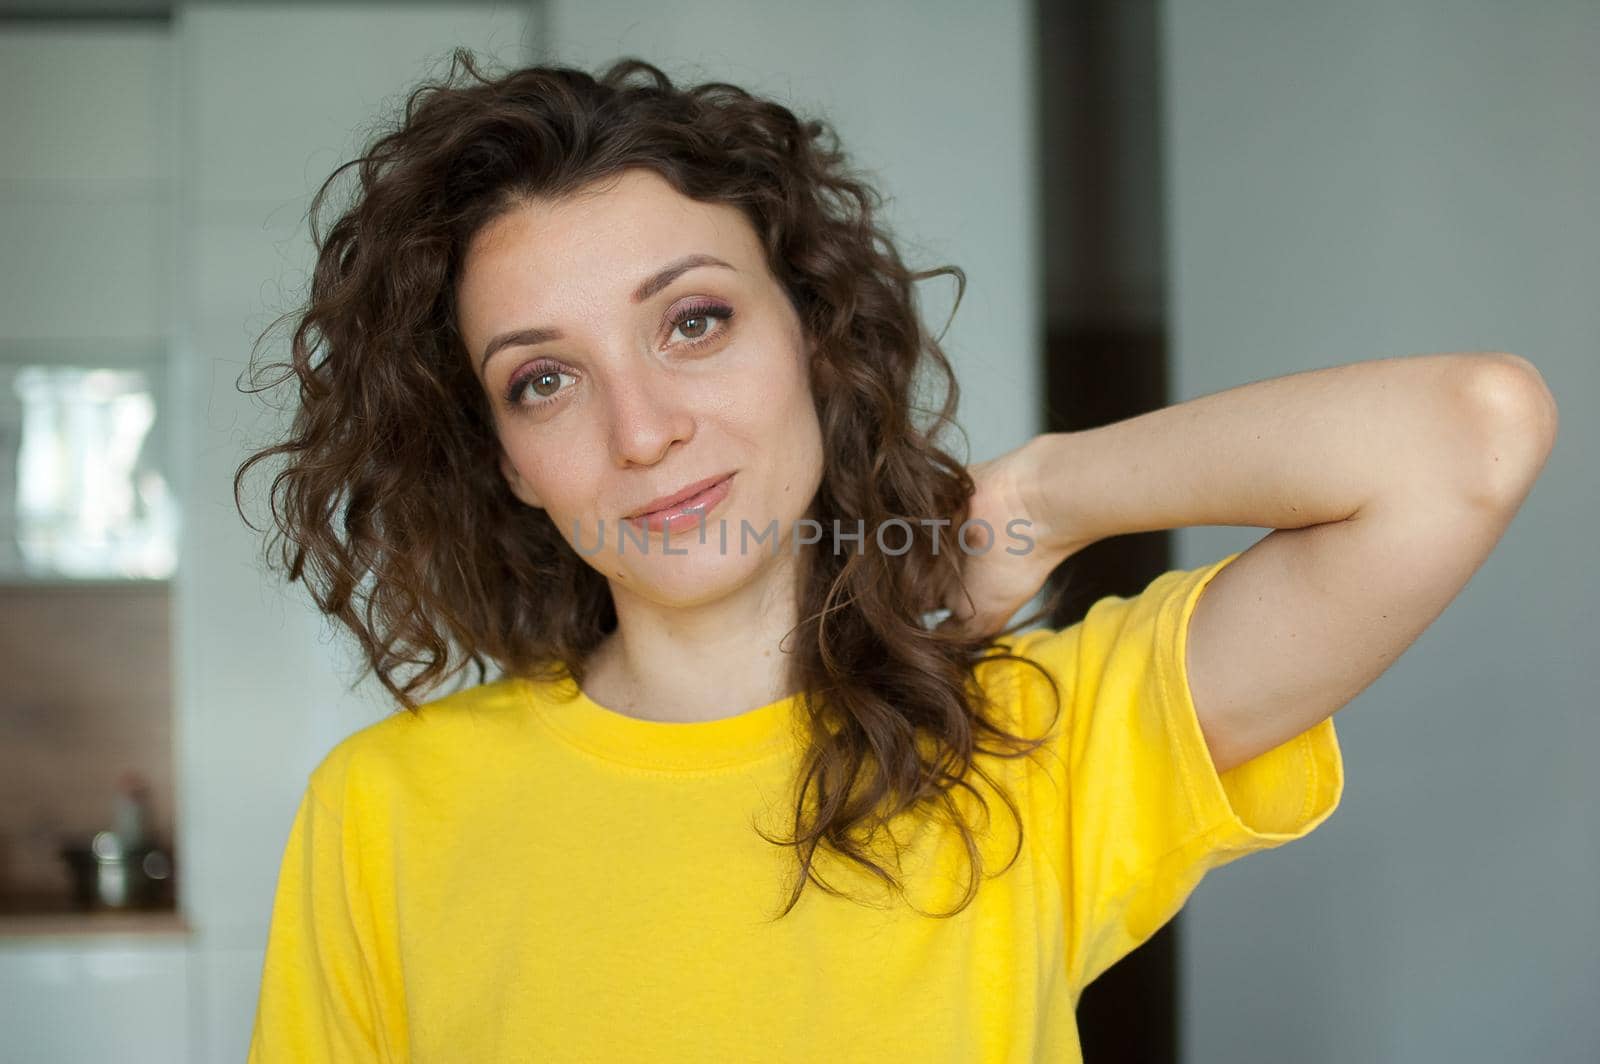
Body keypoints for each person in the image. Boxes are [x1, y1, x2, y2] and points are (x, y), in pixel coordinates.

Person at [238, 50, 1362, 1063]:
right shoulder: (382, 807)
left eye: (692, 321)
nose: (642, 431)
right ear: (508, 461)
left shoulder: (1025, 739)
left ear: (812, 336)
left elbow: (1469, 437)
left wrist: (1039, 499)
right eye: (544, 379)